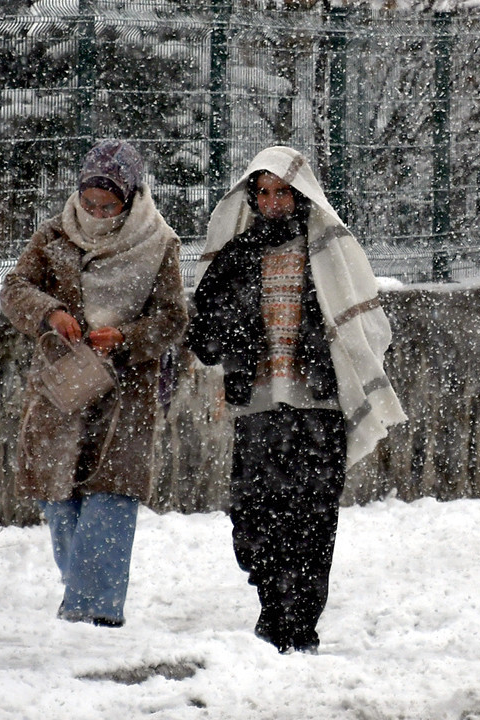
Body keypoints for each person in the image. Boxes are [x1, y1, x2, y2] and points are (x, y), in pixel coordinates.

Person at [186, 146, 406, 653]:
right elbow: (204, 336)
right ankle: (273, 610)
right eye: (263, 192)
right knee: (253, 519)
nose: (272, 202)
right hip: (257, 409)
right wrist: (234, 332)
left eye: (282, 191)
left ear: (300, 194)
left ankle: (298, 625)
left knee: (312, 520)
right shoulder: (236, 256)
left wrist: (327, 356)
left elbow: (365, 326)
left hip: (318, 409)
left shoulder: (327, 253)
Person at [0, 139, 187, 627]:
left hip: (127, 392)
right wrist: (51, 313)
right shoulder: (54, 234)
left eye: (109, 206)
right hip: (63, 386)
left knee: (112, 492)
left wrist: (126, 337)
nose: (97, 213)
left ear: (131, 199)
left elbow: (172, 318)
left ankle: (95, 612)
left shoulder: (159, 242)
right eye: (89, 203)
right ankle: (81, 592)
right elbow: (15, 289)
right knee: (58, 493)